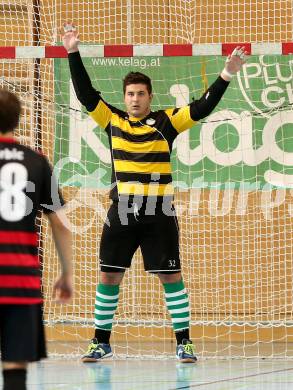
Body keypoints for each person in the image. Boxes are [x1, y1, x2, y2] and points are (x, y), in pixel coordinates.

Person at [62, 23, 246, 363]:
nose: (135, 99)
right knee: (108, 275)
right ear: (124, 97)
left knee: (171, 276)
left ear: (150, 96)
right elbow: (86, 94)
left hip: (159, 211)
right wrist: (73, 51)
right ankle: (100, 342)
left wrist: (226, 74)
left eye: (141, 94)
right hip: (121, 210)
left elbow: (202, 108)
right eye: (130, 94)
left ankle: (184, 343)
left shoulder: (167, 122)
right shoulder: (112, 121)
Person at [0, 89, 73, 390]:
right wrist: (67, 273)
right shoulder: (37, 161)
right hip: (21, 281)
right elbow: (60, 223)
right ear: (18, 121)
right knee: (15, 367)